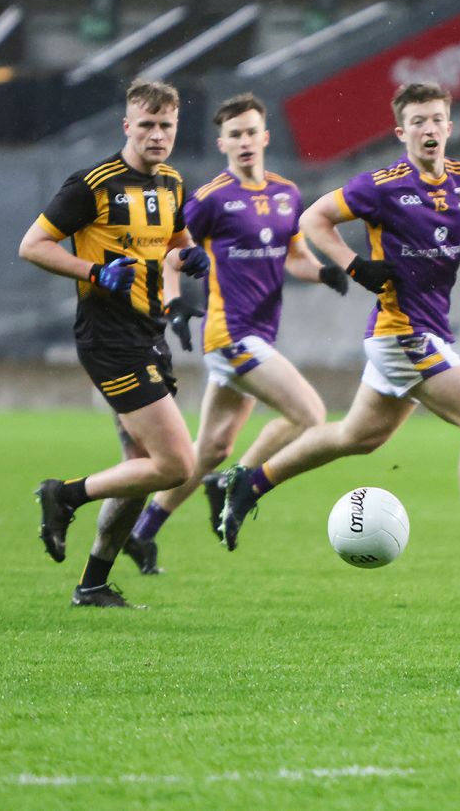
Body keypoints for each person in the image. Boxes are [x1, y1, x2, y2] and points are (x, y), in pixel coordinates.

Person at [217, 82, 460, 589]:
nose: (428, 129)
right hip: (400, 332)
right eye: (418, 121)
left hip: (425, 332)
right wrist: (353, 264)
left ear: (449, 127)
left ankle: (250, 483)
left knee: (357, 437)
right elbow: (313, 218)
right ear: (401, 131)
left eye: (436, 119)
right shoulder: (383, 185)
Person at [120, 93, 350, 575]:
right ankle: (237, 483)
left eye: (251, 132)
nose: (244, 141)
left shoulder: (287, 193)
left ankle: (142, 533)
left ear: (265, 137)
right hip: (230, 334)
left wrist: (325, 273)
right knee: (310, 414)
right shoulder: (211, 198)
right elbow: (170, 250)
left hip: (259, 335)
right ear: (222, 142)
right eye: (235, 134)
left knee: (210, 449)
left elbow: (296, 256)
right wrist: (175, 300)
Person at [17, 78, 209, 608]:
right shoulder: (92, 184)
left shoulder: (172, 182)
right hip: (108, 338)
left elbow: (174, 243)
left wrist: (191, 260)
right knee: (176, 465)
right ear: (127, 126)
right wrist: (96, 272)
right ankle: (64, 495)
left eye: (166, 125)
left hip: (149, 334)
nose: (156, 134)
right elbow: (32, 246)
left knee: (140, 473)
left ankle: (93, 584)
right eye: (146, 124)